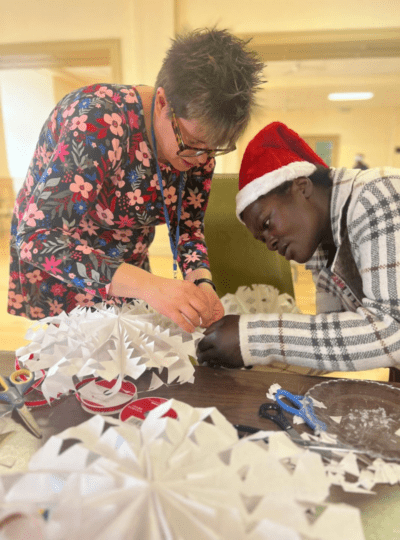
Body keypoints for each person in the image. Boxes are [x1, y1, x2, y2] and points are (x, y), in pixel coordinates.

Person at [8, 28, 264, 334]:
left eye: (214, 149)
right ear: (161, 102)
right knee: (78, 363)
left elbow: (188, 227)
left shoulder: (198, 148)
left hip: (129, 268)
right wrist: (150, 287)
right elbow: (38, 237)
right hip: (66, 264)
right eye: (193, 144)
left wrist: (201, 283)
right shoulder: (98, 122)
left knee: (130, 354)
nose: (201, 160)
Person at [197, 121, 400, 374]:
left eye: (267, 223)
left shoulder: (376, 195)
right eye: (262, 239)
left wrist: (253, 338)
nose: (270, 243)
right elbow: (332, 337)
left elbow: (394, 332)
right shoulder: (323, 244)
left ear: (301, 187)